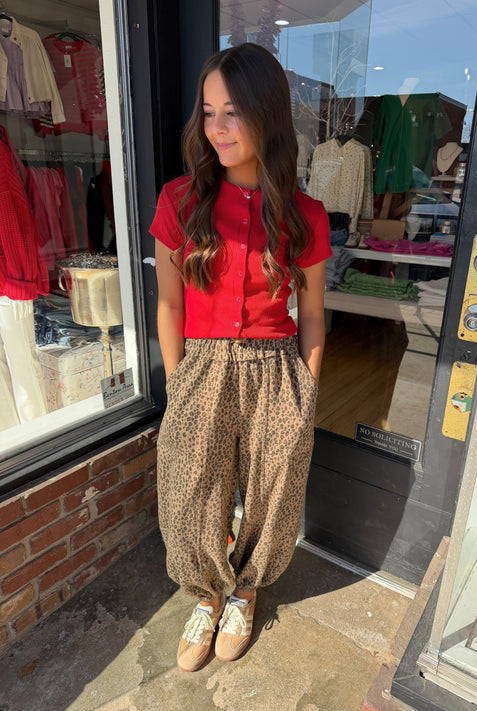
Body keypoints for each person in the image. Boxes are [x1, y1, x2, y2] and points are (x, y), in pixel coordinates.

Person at [150, 42, 331, 672]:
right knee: (189, 489)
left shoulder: (305, 215)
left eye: (233, 112)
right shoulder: (179, 200)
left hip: (277, 368)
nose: (217, 128)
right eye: (208, 113)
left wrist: (306, 392)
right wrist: (178, 384)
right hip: (200, 366)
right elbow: (168, 304)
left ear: (266, 114)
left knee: (272, 491)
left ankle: (245, 592)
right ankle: (206, 593)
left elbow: (312, 314)